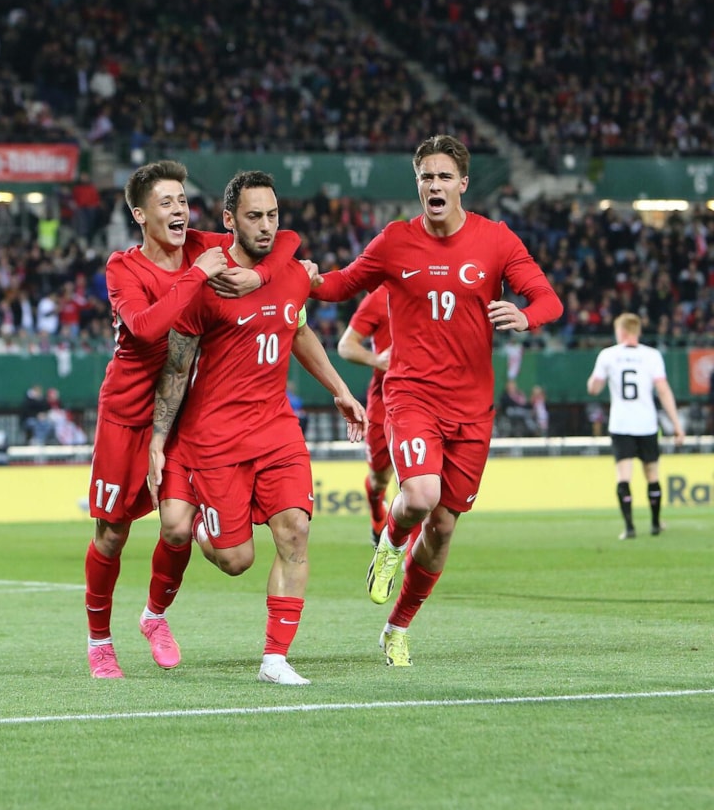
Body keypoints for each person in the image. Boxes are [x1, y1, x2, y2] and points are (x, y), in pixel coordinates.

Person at [310, 134, 563, 666]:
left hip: (472, 408)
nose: (435, 184)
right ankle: (390, 540)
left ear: (463, 183)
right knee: (421, 496)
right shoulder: (395, 240)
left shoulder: (496, 240)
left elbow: (548, 299)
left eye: (445, 176)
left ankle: (397, 627)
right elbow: (341, 284)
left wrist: (526, 316)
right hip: (412, 394)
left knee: (444, 527)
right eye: (426, 176)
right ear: (418, 183)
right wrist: (303, 276)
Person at [148, 170, 367, 686]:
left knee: (295, 531)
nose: (266, 226)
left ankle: (275, 659)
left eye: (272, 215)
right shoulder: (207, 284)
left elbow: (297, 328)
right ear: (229, 220)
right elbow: (176, 368)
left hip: (276, 429)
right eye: (254, 216)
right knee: (235, 560)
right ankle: (199, 522)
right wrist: (158, 439)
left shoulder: (290, 273)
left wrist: (340, 388)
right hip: (215, 439)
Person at [85, 160, 302, 679]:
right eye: (166, 202)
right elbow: (144, 328)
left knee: (178, 528)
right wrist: (198, 275)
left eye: (182, 200)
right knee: (111, 534)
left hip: (182, 411)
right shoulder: (124, 267)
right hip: (127, 414)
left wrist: (262, 274)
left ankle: (154, 616)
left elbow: (285, 240)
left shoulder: (202, 245)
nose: (180, 209)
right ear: (140, 214)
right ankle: (99, 642)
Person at [586, 312, 685, 540]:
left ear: (621, 331)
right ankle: (655, 523)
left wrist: (594, 380)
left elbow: (594, 388)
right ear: (637, 331)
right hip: (646, 423)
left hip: (621, 424)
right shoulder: (651, 355)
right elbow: (663, 391)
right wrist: (676, 425)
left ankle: (629, 527)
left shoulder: (608, 355)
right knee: (652, 473)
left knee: (624, 475)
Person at [337, 284, 394, 546]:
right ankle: (377, 511)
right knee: (379, 478)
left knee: (419, 483)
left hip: (426, 398)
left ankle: (410, 551)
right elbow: (345, 346)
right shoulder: (380, 298)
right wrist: (377, 359)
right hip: (384, 400)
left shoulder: (437, 292)